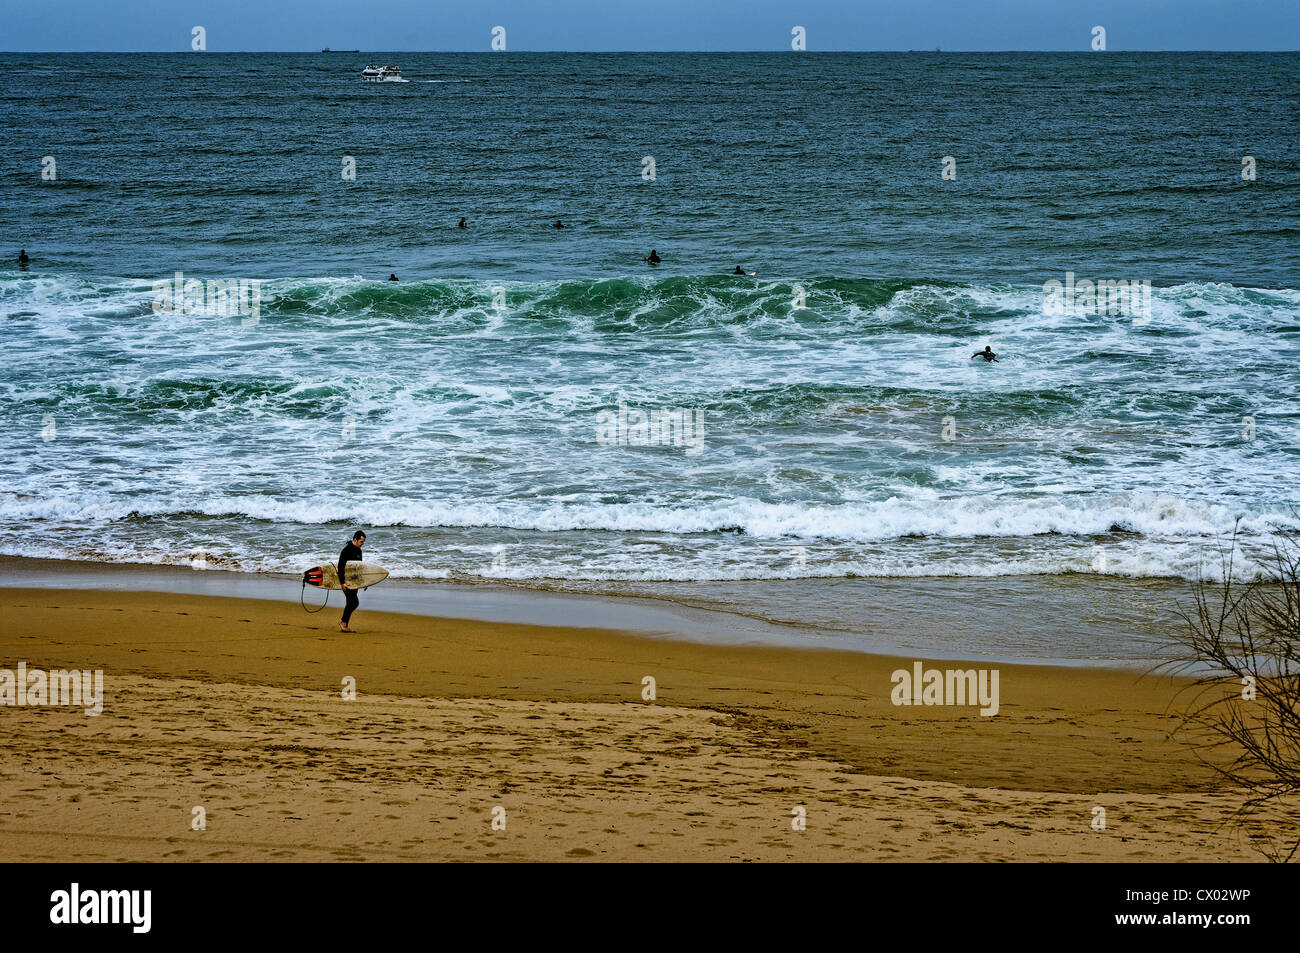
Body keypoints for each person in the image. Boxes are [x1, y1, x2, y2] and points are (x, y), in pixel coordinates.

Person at [338, 530, 367, 632]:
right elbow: (340, 568)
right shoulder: (346, 551)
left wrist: (364, 582)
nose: (362, 544)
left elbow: (359, 568)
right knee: (354, 602)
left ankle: (345, 625)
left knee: (350, 602)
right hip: (346, 581)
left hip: (355, 581)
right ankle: (342, 622)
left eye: (363, 542)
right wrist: (342, 583)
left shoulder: (359, 551)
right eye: (361, 542)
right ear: (355, 539)